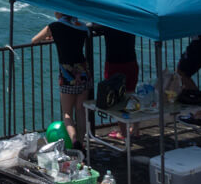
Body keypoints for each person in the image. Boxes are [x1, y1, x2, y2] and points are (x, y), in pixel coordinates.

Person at [32, 13, 91, 147]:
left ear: (59, 12)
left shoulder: (54, 26)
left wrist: (52, 37)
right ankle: (82, 143)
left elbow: (34, 40)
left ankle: (75, 141)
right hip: (83, 72)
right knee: (81, 110)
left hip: (67, 75)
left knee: (67, 113)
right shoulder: (82, 26)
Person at [92, 24, 139, 140]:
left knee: (116, 100)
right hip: (131, 62)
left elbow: (94, 25)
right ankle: (136, 129)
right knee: (132, 96)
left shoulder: (108, 21)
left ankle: (124, 132)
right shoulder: (130, 20)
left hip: (114, 64)